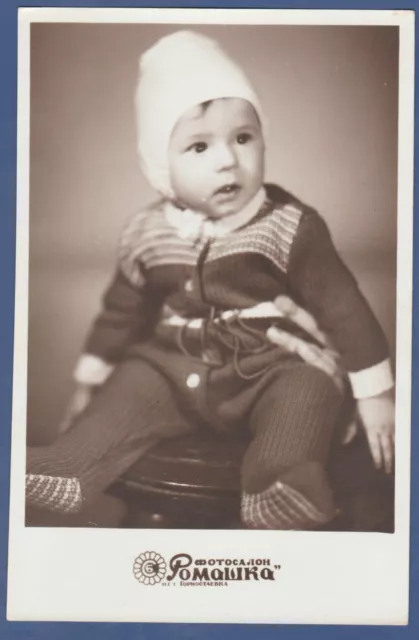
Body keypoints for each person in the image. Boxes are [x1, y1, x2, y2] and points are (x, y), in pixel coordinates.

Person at [26, 31, 395, 530]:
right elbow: (121, 311)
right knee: (130, 387)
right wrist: (88, 382)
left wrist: (374, 393)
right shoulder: (146, 233)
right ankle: (72, 463)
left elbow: (343, 306)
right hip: (174, 365)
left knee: (305, 396)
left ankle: (280, 484)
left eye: (243, 138)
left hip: (271, 362)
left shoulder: (288, 224)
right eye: (199, 147)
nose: (227, 160)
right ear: (162, 167)